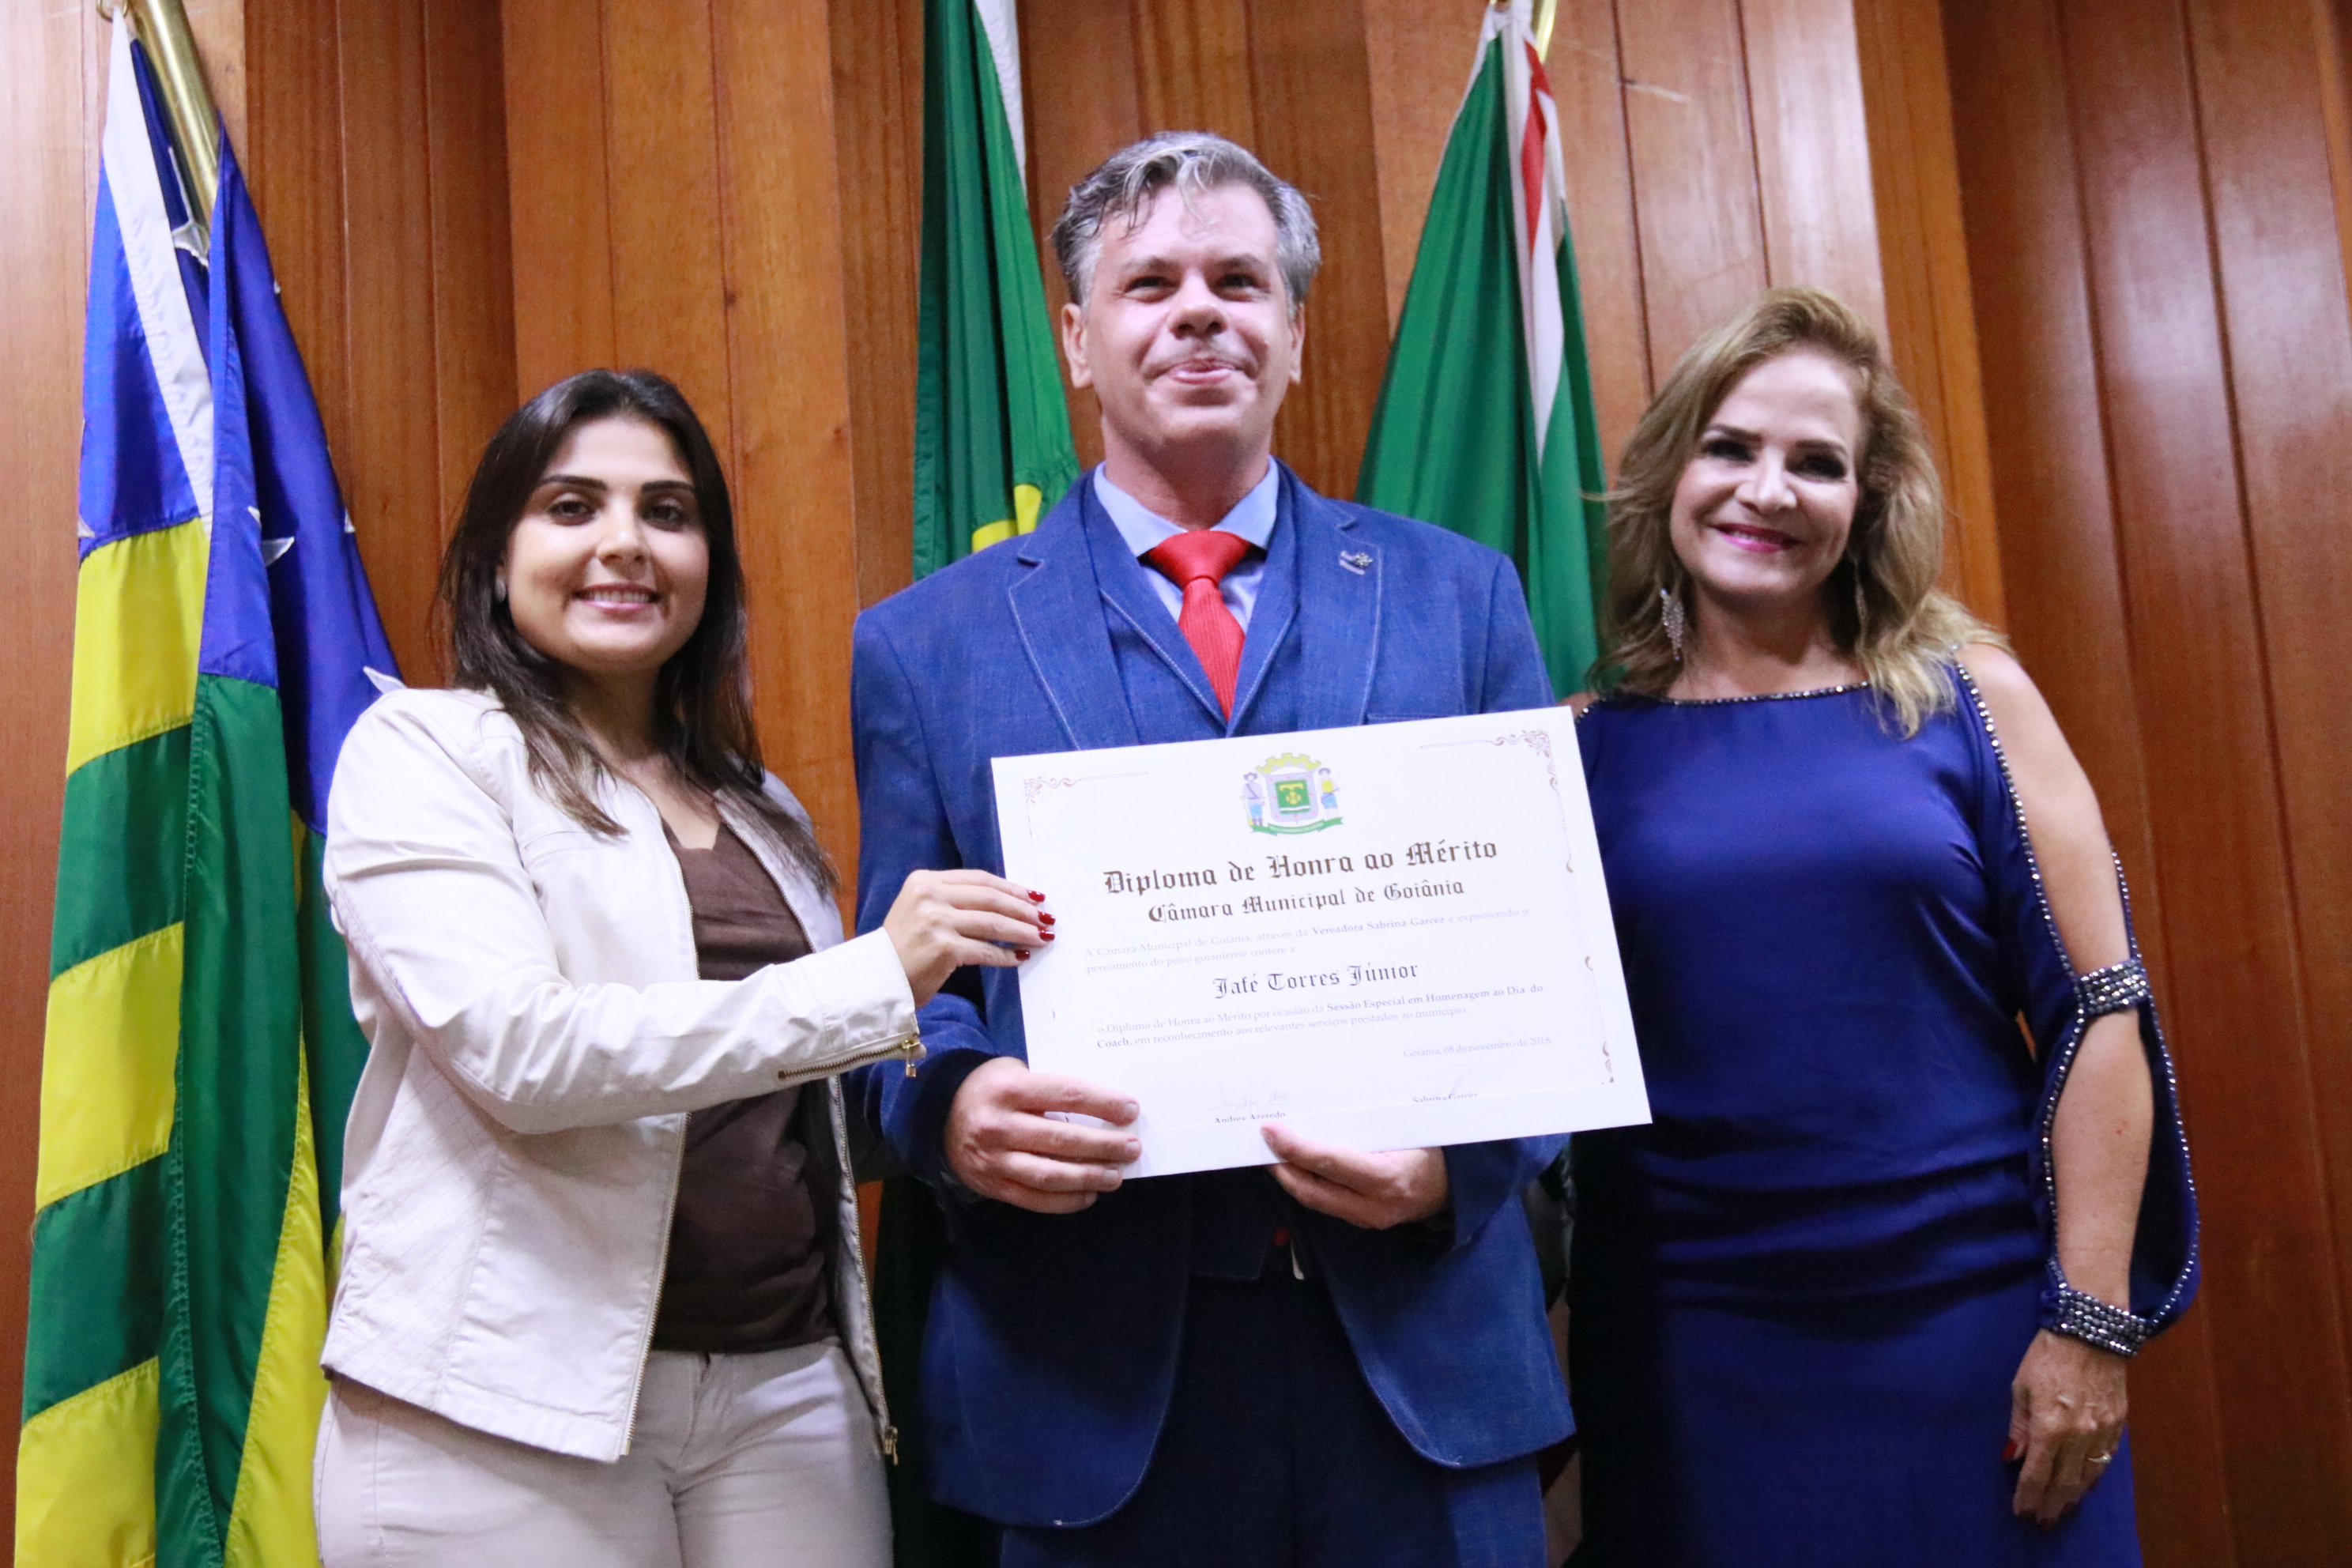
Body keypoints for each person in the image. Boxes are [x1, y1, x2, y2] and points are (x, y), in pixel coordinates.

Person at [850, 133, 1570, 1568]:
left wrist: (1461, 1164)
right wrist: (956, 1107)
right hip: (1085, 1383)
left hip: (1423, 1362)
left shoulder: (1461, 598)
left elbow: (1549, 969)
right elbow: (898, 992)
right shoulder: (926, 645)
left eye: (1239, 282)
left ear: (1294, 333)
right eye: (1150, 284)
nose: (1198, 312)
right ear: (1076, 339)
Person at [313, 369, 1045, 1566]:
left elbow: (792, 1103)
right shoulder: (424, 751)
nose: (625, 544)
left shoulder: (763, 809)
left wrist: (972, 1103)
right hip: (503, 1411)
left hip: (788, 1388)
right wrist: (871, 982)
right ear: (496, 558)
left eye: (667, 511)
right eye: (572, 507)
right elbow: (523, 1055)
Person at [1566, 287, 2197, 1565]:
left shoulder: (1972, 700)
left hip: (1975, 1329)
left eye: (1817, 463)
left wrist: (2089, 1321)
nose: (1767, 491)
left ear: (1867, 501)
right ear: (1670, 469)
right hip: (1694, 1341)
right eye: (1730, 447)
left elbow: (2101, 1011)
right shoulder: (1576, 746)